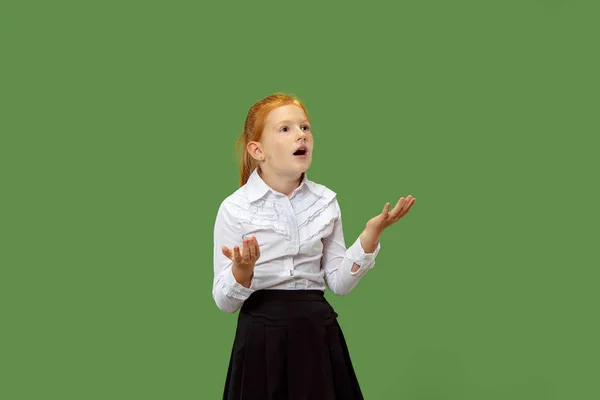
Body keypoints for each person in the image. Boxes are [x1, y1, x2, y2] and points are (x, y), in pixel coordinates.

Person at [212, 93, 416, 399]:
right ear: (257, 150)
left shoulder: (326, 202)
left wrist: (370, 235)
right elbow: (224, 301)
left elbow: (339, 283)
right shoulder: (234, 208)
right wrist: (242, 270)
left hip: (317, 334)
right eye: (285, 129)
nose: (301, 135)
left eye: (305, 127)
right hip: (261, 338)